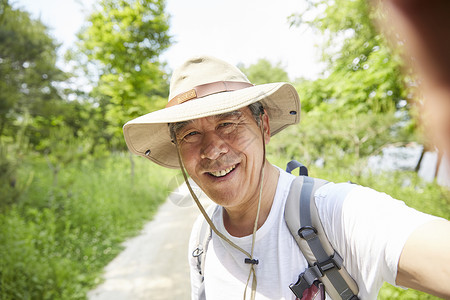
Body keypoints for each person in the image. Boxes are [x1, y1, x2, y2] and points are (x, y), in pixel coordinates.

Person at [123, 55, 450, 300]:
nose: (212, 150)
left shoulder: (333, 213)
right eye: (191, 134)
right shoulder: (203, 238)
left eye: (228, 124)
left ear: (264, 127)